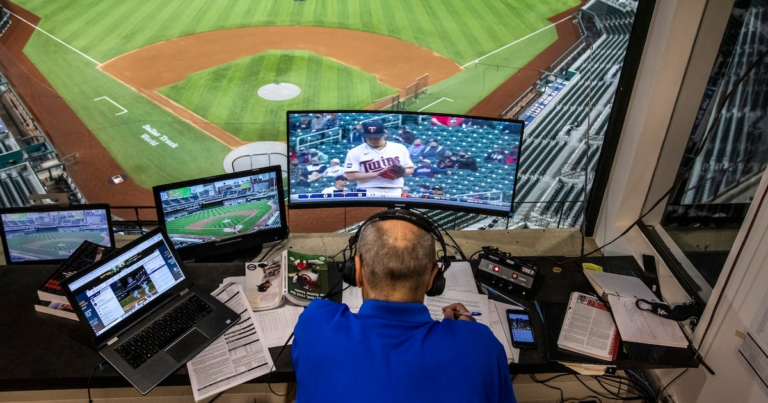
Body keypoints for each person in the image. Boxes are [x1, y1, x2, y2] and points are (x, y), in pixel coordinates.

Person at [292, 213, 515, 402]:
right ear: (433, 278)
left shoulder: (315, 322)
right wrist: (468, 335)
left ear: (356, 272)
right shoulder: (482, 346)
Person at [344, 121, 414, 196]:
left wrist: (400, 172)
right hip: (368, 190)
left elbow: (410, 169)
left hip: (395, 190)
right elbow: (350, 176)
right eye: (370, 138)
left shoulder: (399, 148)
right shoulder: (355, 152)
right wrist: (379, 173)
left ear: (385, 134)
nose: (373, 140)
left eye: (376, 137)